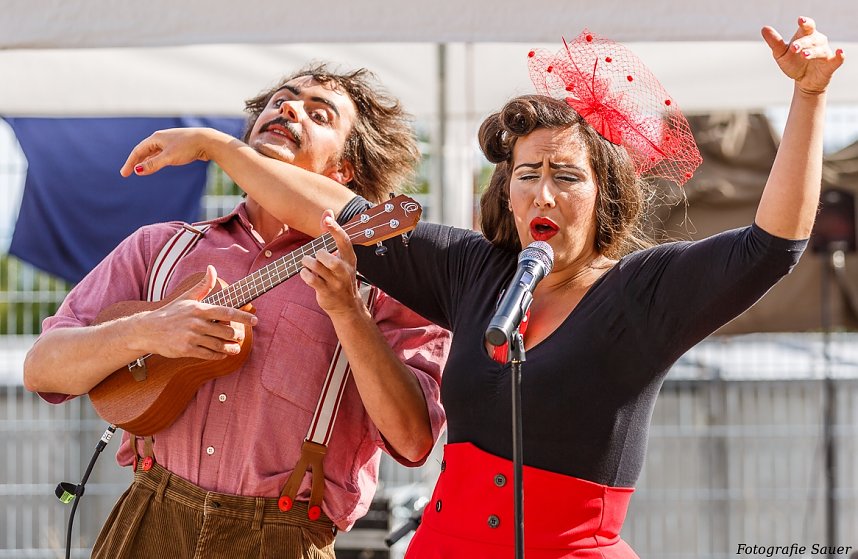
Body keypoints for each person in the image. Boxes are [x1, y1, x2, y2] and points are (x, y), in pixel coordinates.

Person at [118, 17, 844, 558]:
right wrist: (223, 148)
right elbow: (335, 212)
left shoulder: (640, 293)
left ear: (606, 194)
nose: (542, 192)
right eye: (526, 174)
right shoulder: (477, 271)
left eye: (566, 175)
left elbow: (767, 248)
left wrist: (808, 100)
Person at [22, 64, 450, 558]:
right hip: (149, 512)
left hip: (283, 539)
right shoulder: (160, 247)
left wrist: (351, 316)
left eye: (319, 114)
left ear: (342, 173)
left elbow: (414, 440)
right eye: (280, 101)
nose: (289, 109)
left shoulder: (386, 284)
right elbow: (42, 369)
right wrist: (147, 332)